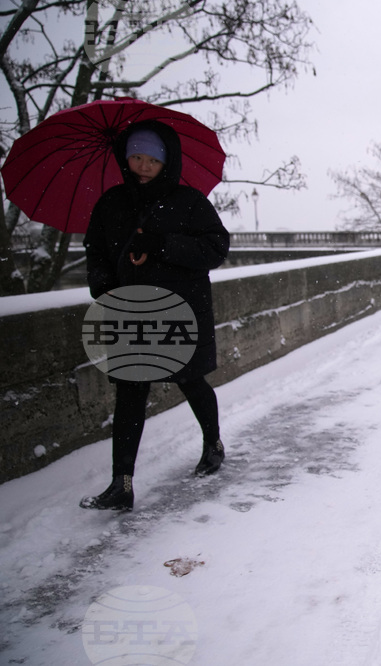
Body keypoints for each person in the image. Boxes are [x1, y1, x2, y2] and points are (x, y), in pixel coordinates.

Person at [80, 120, 230, 511]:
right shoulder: (111, 202)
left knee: (189, 380)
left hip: (179, 308)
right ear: (125, 158)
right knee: (130, 392)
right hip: (129, 308)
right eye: (136, 157)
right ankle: (122, 484)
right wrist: (104, 286)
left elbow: (216, 248)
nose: (143, 166)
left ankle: (213, 444)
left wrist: (161, 245)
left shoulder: (189, 201)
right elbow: (95, 251)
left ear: (167, 161)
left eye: (152, 159)